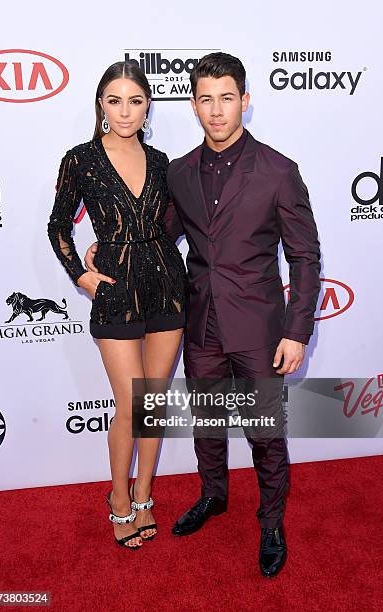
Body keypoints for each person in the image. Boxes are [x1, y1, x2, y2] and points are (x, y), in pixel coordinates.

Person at [84, 52, 321, 575]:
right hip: (199, 321)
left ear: (245, 101)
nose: (217, 110)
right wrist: (103, 252)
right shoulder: (180, 171)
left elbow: (305, 257)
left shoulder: (280, 171)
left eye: (227, 98)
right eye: (206, 99)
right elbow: (156, 236)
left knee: (264, 431)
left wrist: (297, 330)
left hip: (260, 327)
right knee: (208, 425)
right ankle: (214, 496)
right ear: (194, 105)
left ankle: (271, 522)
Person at [47, 61, 187, 550]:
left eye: (136, 100)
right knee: (129, 404)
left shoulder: (164, 160)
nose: (125, 111)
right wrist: (82, 274)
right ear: (101, 106)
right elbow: (57, 225)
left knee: (151, 404)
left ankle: (145, 494)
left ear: (147, 106)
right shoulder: (80, 159)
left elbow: (174, 225)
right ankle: (119, 498)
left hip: (167, 285)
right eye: (115, 100)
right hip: (115, 293)